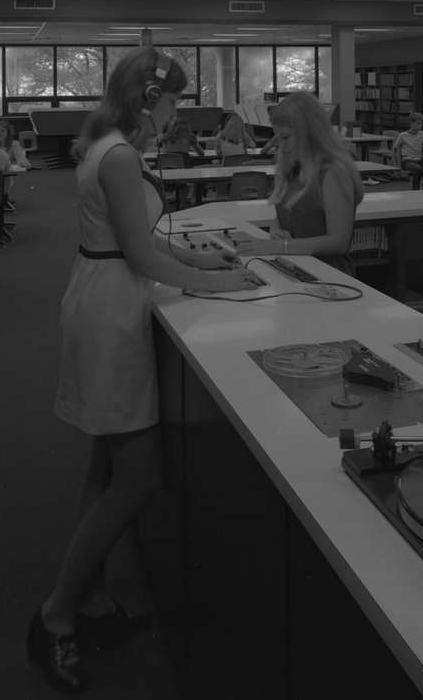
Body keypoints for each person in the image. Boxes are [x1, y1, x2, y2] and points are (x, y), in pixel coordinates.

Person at [27, 47, 262, 693]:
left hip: (98, 289)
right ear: (147, 98)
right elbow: (140, 254)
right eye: (174, 100)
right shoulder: (125, 156)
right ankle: (58, 615)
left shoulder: (102, 145)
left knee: (106, 463)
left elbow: (134, 239)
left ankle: (93, 596)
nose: (177, 112)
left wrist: (207, 266)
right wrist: (223, 288)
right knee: (137, 476)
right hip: (110, 309)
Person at [236, 91, 364, 274]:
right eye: (278, 138)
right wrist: (276, 227)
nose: (281, 145)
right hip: (294, 265)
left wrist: (281, 246)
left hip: (328, 274)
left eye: (286, 137)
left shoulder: (334, 172)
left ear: (310, 134)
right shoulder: (294, 167)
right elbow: (294, 211)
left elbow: (338, 242)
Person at [390, 112, 423, 190]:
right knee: (418, 169)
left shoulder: (421, 134)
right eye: (418, 123)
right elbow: (394, 149)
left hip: (420, 160)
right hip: (407, 161)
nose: (420, 126)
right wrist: (396, 166)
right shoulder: (403, 135)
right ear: (411, 123)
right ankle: (415, 190)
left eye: (421, 124)